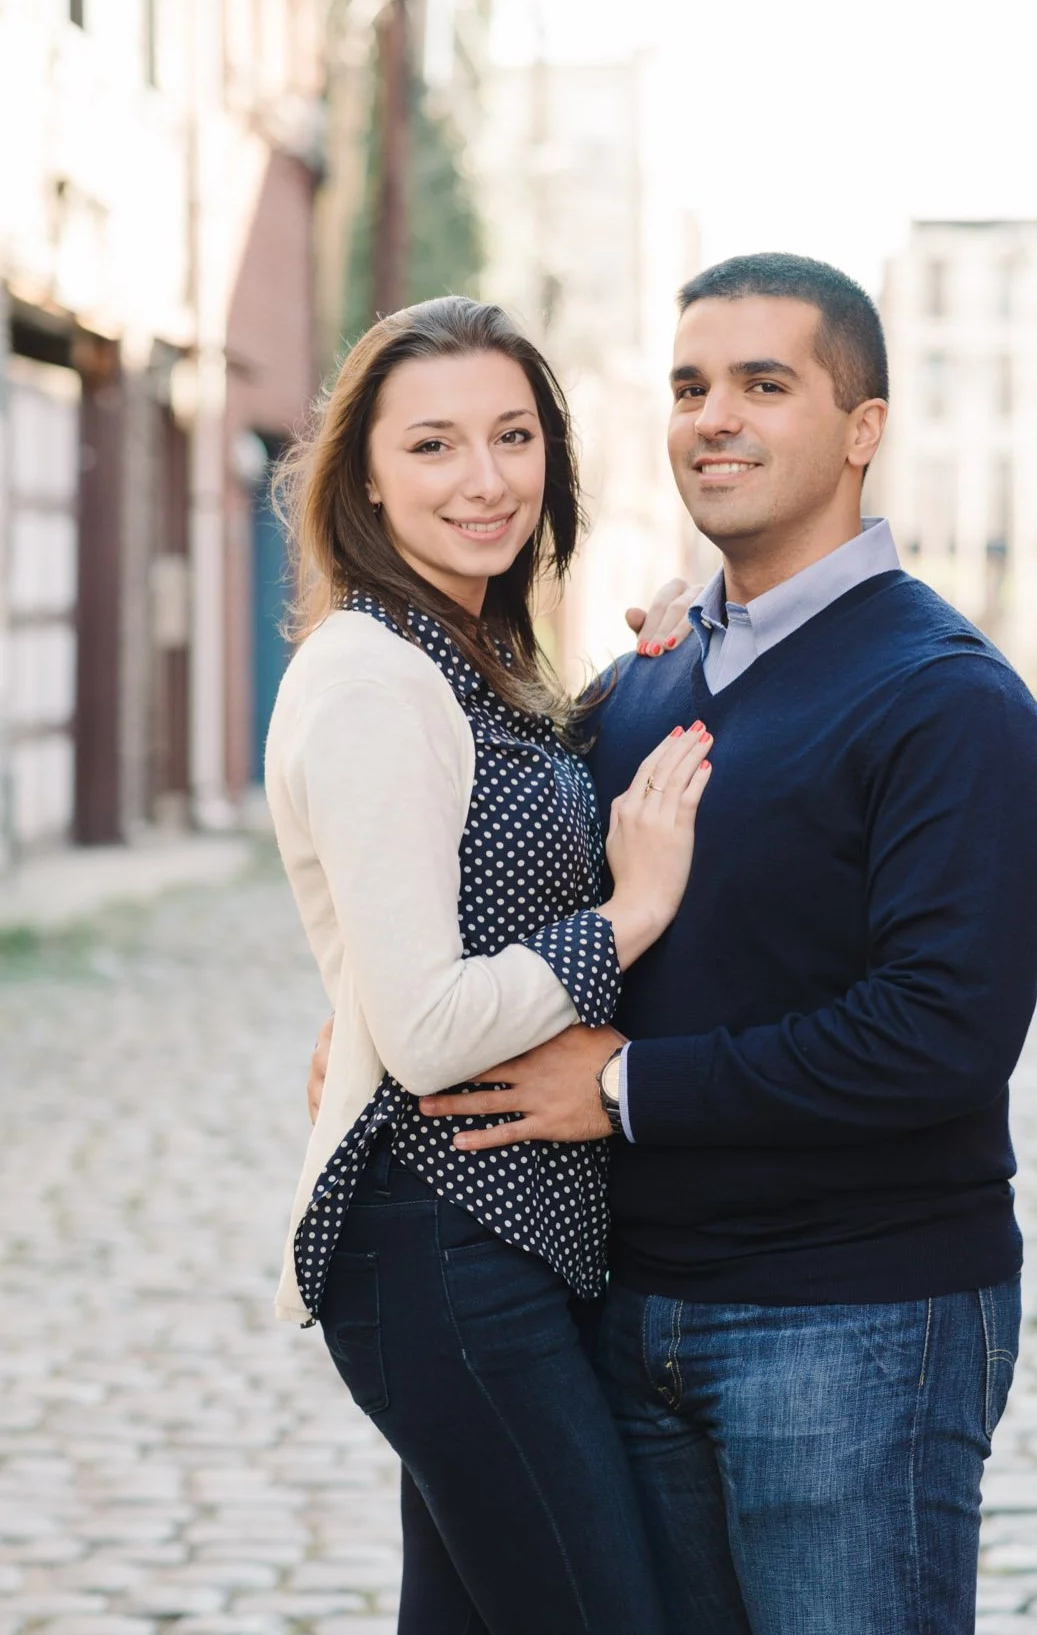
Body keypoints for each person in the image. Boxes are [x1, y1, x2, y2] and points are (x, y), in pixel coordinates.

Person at [414, 253, 1037, 1633]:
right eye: (689, 385)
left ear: (861, 426)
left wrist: (617, 1089)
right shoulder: (649, 679)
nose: (713, 415)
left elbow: (934, 1038)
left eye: (764, 384)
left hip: (856, 1326)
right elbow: (512, 870)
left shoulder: (951, 706)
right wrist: (380, 1002)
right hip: (631, 1309)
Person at [265, 297, 711, 1632]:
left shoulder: (468, 656)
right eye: (436, 445)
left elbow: (484, 847)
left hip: (508, 1239)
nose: (486, 479)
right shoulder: (367, 679)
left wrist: (668, 649)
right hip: (436, 1243)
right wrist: (628, 917)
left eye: (514, 436)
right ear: (364, 477)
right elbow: (428, 1028)